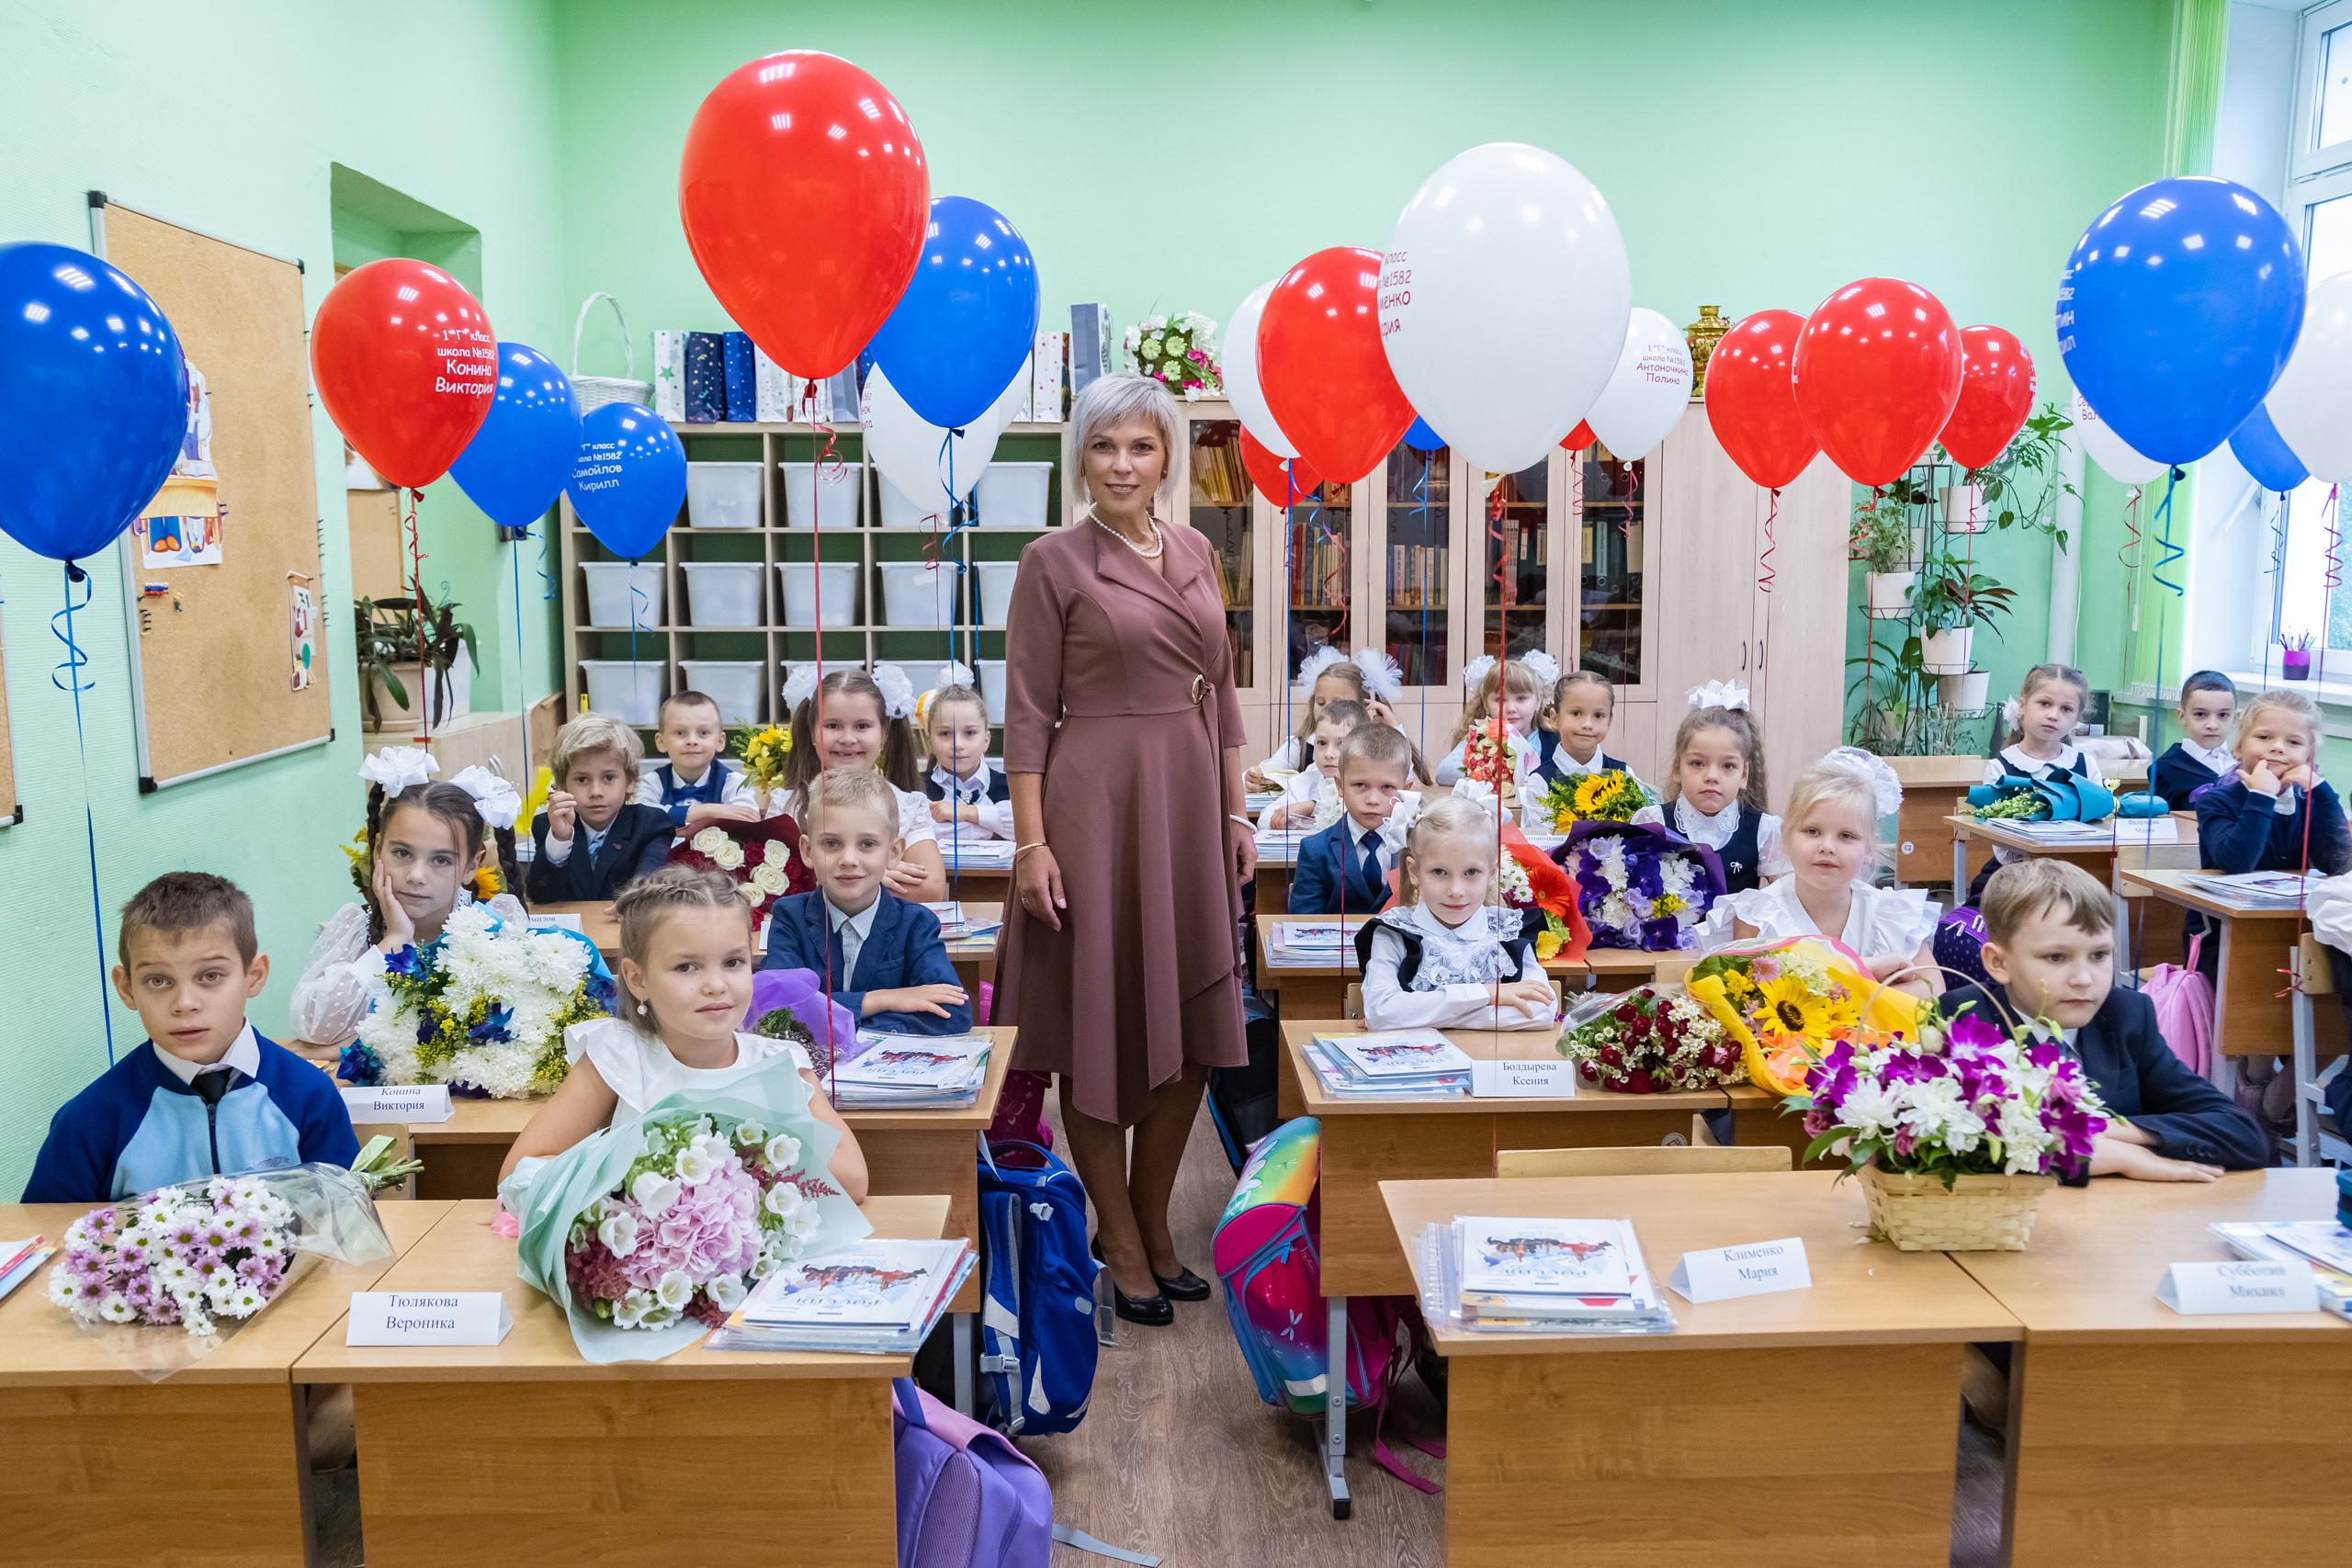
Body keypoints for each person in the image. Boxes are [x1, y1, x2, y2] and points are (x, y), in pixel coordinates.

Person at [995, 372, 1251, 1327]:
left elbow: (1221, 692)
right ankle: (1122, 1234)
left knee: (1189, 1031)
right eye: (1104, 447)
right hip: (1094, 800)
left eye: (1141, 447)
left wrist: (1235, 814)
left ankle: (1147, 1223)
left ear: (1167, 458)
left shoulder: (1193, 549)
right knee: (1098, 1026)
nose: (1122, 465)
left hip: (1187, 801)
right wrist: (1031, 845)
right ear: (1080, 459)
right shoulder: (1052, 560)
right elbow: (1024, 714)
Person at [500, 865, 868, 1199]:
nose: (716, 984)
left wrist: (738, 1164)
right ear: (637, 979)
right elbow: (519, 1171)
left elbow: (853, 1179)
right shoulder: (619, 1056)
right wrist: (640, 1181)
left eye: (733, 962)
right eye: (686, 967)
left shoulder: (781, 1065)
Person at [23, 873, 357, 1202]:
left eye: (210, 976)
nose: (184, 1004)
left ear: (253, 976)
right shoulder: (90, 1120)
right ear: (126, 989)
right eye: (157, 981)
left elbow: (350, 1224)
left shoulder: (308, 1095)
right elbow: (55, 1245)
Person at [1943, 859, 2266, 1177]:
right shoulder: (1964, 1022)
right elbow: (1947, 1146)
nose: (2084, 978)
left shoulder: (2126, 1015)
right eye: (2056, 957)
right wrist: (2097, 1157)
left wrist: (2108, 1134)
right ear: (1998, 962)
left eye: (2099, 955)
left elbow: (2243, 1135)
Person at [292, 749, 529, 1047]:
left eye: (441, 860)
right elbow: (313, 1026)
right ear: (378, 849)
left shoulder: (496, 926)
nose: (416, 875)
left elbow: (509, 1032)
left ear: (472, 864)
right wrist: (395, 940)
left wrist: (352, 1046)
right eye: (402, 853)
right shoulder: (355, 928)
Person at [1701, 750, 1940, 997]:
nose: (1827, 846)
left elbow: (1934, 989)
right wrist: (1861, 972)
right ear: (1785, 837)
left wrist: (1853, 990)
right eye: (1812, 831)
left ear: (1869, 847)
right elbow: (1749, 998)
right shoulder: (1757, 917)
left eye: (1846, 836)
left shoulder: (1890, 914)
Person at [762, 769, 970, 1035]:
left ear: (894, 853)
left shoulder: (916, 924)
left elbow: (953, 1015)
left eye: (867, 844)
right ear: (807, 851)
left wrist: (833, 1020)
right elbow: (776, 1011)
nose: (848, 859)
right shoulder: (790, 917)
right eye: (832, 843)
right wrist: (883, 1000)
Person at [1355, 796, 1554, 1031]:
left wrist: (1421, 1016)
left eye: (1471, 872)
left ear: (1492, 872)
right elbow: (1381, 1011)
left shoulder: (1509, 929)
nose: (1456, 891)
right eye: (1439, 871)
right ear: (1414, 871)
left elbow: (1542, 1012)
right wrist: (1487, 994)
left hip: (1489, 1063)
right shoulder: (1394, 932)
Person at [2192, 687, 2349, 982]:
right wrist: (2262, 796)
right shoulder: (2215, 801)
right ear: (2238, 747)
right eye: (2264, 737)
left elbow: (2337, 864)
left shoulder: (2308, 803)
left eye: (2293, 742)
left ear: (2309, 754)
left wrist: (2323, 794)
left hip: (2297, 929)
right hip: (2224, 936)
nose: (2278, 748)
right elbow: (2237, 862)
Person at [777, 665, 947, 902]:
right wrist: (874, 877)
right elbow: (774, 886)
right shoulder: (787, 806)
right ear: (813, 733)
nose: (847, 738)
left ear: (884, 734)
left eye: (862, 726)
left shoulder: (908, 804)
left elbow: (930, 889)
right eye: (833, 726)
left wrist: (840, 880)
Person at [1632, 686, 1786, 894]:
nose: (1712, 776)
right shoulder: (1652, 822)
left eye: (1727, 766)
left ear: (1744, 775)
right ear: (1677, 768)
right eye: (1697, 763)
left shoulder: (1765, 830)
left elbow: (1788, 900)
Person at [1969, 663, 2102, 903]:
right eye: (2045, 703)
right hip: (2016, 876)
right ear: (2022, 706)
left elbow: (2099, 826)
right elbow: (2002, 846)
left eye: (2067, 709)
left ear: (2076, 720)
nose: (2054, 715)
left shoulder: (2086, 765)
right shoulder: (2002, 767)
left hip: (2074, 873)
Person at [526, 712, 674, 902]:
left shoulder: (651, 824)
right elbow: (540, 898)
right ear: (562, 785)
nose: (596, 792)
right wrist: (560, 839)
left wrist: (632, 901)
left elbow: (648, 885)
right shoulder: (547, 826)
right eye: (582, 779)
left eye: (608, 778)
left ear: (630, 781)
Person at [1289, 722, 1420, 917]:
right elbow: (1304, 924)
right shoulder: (1315, 850)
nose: (1372, 800)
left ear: (1405, 790)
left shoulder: (1419, 847)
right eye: (1360, 785)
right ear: (1340, 785)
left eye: (1386, 787)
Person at [1246, 650, 1393, 791]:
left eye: (1338, 703)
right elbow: (1268, 769)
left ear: (1366, 706)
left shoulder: (1376, 746)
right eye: (1321, 703)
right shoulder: (1300, 745)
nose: (1327, 710)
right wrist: (1256, 777)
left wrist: (1393, 730)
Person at [636, 690, 765, 829]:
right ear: (661, 742)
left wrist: (672, 820)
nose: (692, 741)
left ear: (720, 741)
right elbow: (642, 817)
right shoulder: (650, 782)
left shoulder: (736, 785)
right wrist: (707, 810)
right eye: (680, 733)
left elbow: (746, 824)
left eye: (703, 733)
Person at [1431, 655, 1550, 786]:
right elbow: (1444, 773)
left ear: (1538, 701)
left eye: (1521, 698)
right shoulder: (1479, 738)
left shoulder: (1552, 740)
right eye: (1500, 700)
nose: (1511, 708)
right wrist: (1491, 775)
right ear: (1486, 704)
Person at [1260, 699, 1368, 832]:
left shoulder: (1369, 785)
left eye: (1341, 744)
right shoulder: (1303, 783)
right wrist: (1290, 818)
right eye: (1322, 743)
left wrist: (1312, 807)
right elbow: (1264, 820)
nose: (1329, 754)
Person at [922, 682, 1012, 840]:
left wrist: (967, 812)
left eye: (969, 732)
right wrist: (995, 830)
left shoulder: (1011, 786)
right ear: (929, 742)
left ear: (986, 740)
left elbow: (1027, 826)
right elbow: (915, 832)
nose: (958, 745)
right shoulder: (915, 787)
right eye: (945, 733)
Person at [1532, 668, 1643, 791]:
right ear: (1555, 718)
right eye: (1576, 713)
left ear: (1609, 721)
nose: (1587, 724)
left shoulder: (1625, 775)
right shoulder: (1539, 782)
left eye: (1598, 715)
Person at [2149, 671, 2238, 810]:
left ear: (2235, 717)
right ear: (2182, 716)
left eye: (2223, 715)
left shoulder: (2244, 762)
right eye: (2200, 714)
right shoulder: (2166, 769)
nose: (2212, 725)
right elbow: (2165, 821)